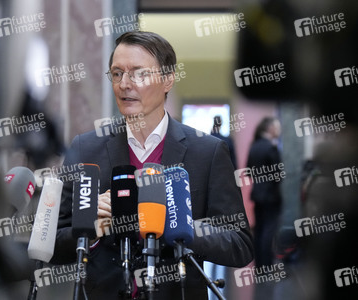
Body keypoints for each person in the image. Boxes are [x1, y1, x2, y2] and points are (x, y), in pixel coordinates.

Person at [52, 31, 253, 299]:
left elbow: (240, 246)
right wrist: (88, 229)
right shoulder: (85, 148)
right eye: (117, 73)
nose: (125, 84)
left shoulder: (207, 152)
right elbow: (51, 244)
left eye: (138, 73)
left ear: (168, 79)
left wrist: (182, 226)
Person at [247, 117, 282, 268]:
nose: (278, 130)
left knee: (259, 229)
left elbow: (248, 171)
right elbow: (278, 174)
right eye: (276, 127)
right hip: (271, 196)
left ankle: (260, 264)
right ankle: (267, 265)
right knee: (269, 230)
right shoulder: (271, 148)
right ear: (269, 128)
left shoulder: (254, 146)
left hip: (257, 194)